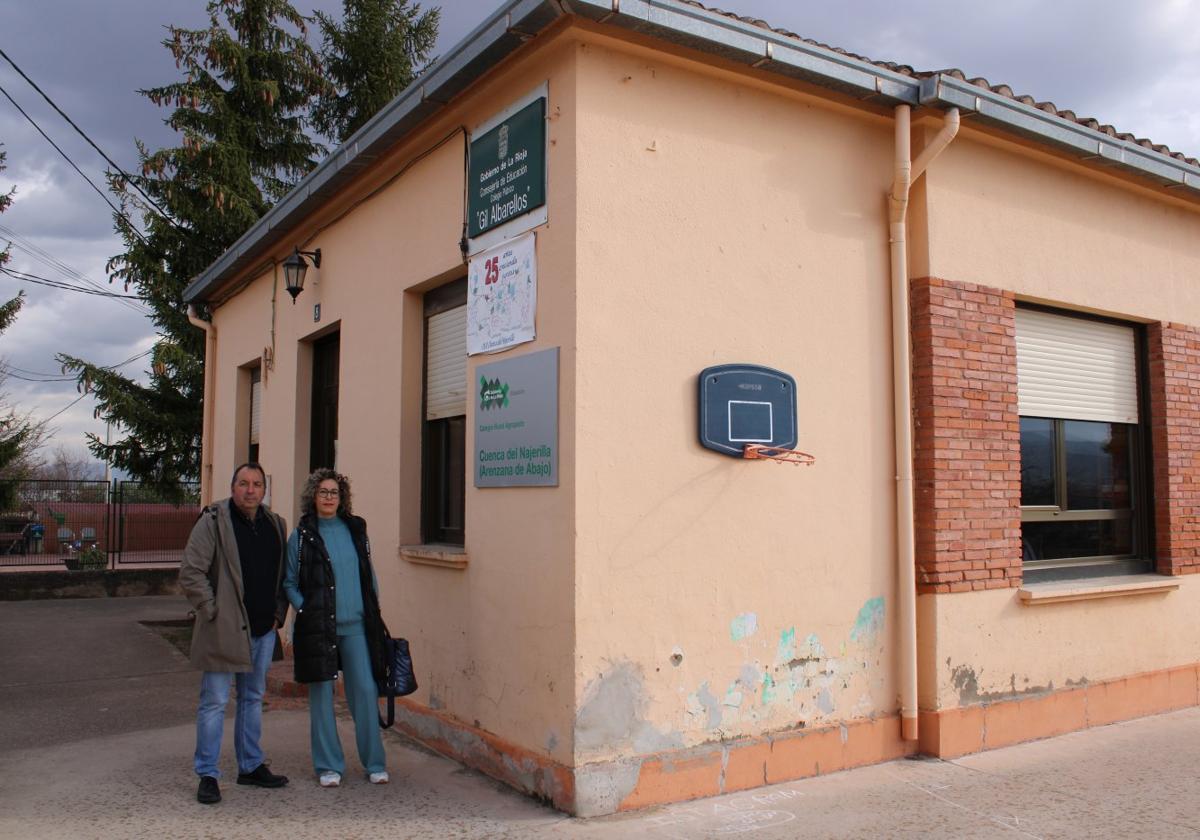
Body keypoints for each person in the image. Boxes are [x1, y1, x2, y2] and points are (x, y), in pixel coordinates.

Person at [179, 463, 290, 805]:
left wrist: (277, 614)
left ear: (264, 490)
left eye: (257, 484)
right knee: (214, 702)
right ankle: (208, 774)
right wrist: (213, 612)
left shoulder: (275, 524)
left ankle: (251, 766)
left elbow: (282, 575)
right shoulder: (213, 521)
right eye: (244, 483)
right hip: (223, 631)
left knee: (253, 699)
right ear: (233, 487)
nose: (251, 490)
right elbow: (191, 573)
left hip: (262, 631)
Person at [284, 468, 389, 787]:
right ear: (313, 497)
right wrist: (305, 607)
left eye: (334, 492)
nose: (329, 498)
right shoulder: (302, 536)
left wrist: (373, 603)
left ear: (342, 497)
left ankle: (374, 763)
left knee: (366, 692)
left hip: (356, 625)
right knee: (321, 696)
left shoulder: (355, 529)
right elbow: (289, 581)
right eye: (323, 492)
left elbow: (367, 573)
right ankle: (329, 766)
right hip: (319, 628)